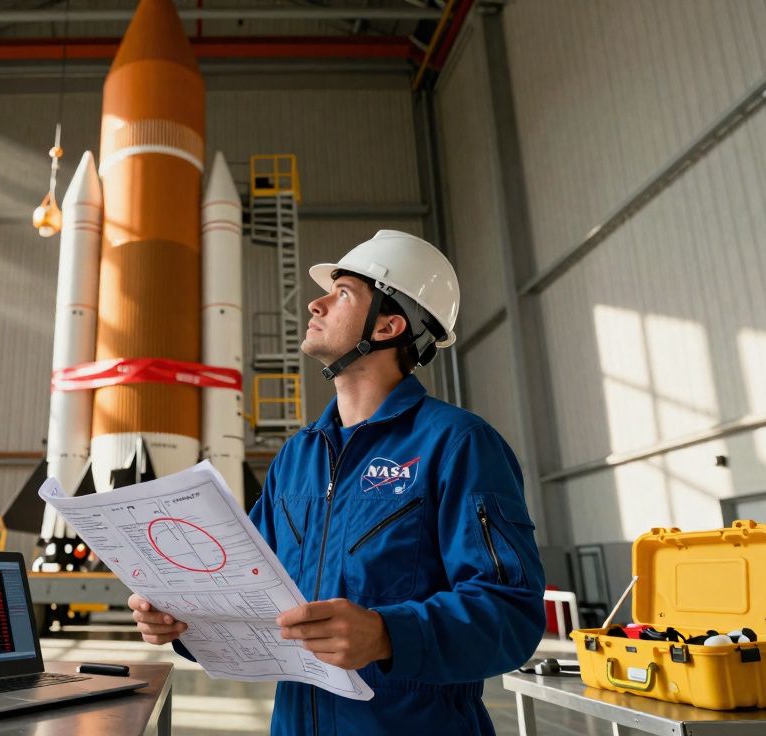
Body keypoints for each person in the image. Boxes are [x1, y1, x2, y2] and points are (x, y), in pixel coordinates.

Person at [129, 230, 546, 734]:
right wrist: (181, 619)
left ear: (389, 326)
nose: (317, 301)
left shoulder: (458, 444)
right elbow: (244, 585)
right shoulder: (298, 455)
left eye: (343, 293)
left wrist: (389, 634)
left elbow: (511, 613)